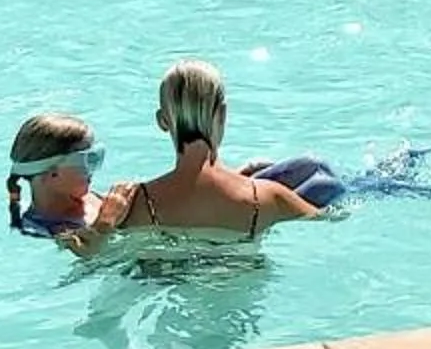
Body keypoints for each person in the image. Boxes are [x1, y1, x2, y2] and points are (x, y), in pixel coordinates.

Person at [79, 62, 325, 244]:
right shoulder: (267, 198)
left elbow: (86, 246)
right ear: (223, 114)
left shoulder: (137, 205)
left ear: (162, 121)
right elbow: (329, 218)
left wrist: (103, 225)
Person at [7, 112, 107, 239]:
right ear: (53, 174)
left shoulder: (92, 198)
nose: (93, 169)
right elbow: (93, 248)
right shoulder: (47, 228)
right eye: (88, 160)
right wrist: (107, 219)